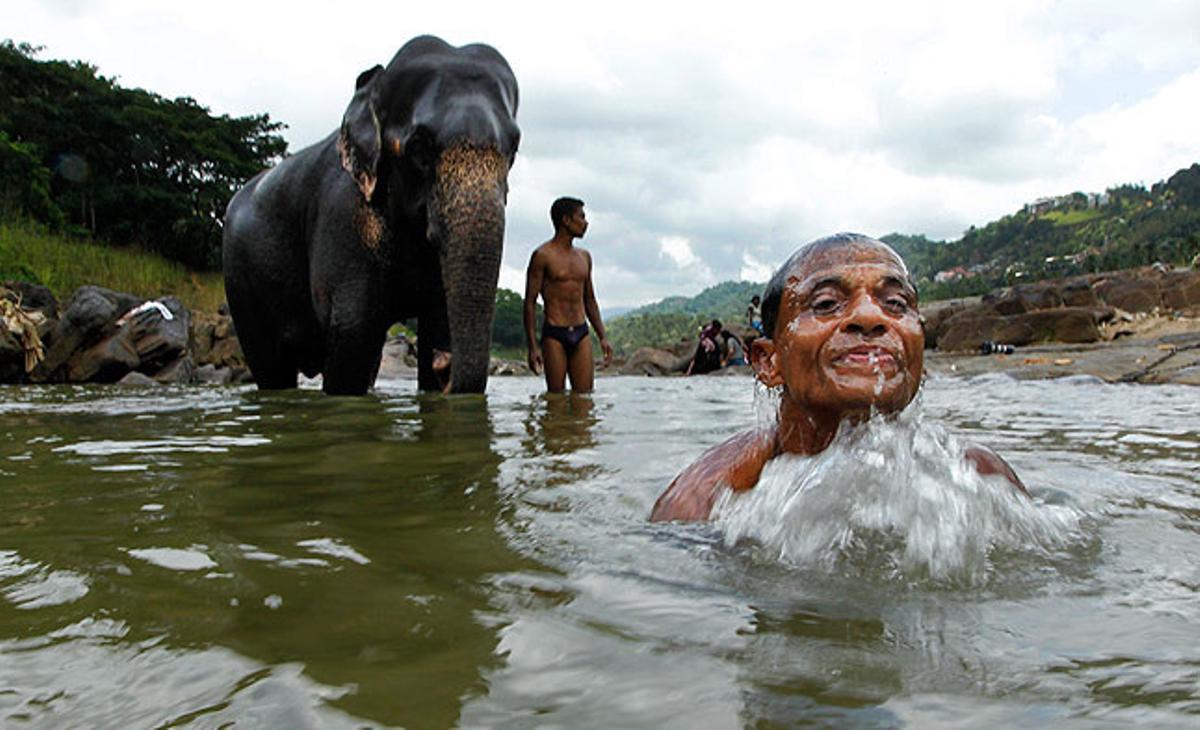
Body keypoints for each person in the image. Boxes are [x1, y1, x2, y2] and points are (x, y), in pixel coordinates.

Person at [651, 233, 1024, 522]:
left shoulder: (982, 480)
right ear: (768, 361)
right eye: (827, 304)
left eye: (895, 303)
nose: (870, 316)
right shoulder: (705, 503)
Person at [524, 197, 614, 393]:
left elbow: (589, 299)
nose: (586, 222)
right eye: (581, 217)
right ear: (566, 220)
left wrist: (603, 336)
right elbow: (530, 303)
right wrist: (533, 347)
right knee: (555, 400)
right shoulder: (542, 256)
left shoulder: (584, 257)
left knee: (585, 398)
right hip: (554, 333)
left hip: (581, 332)